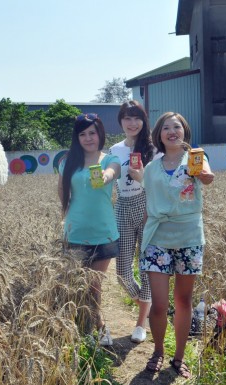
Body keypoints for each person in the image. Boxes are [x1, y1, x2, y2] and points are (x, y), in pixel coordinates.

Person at [139, 112, 214, 377]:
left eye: (177, 127)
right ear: (159, 135)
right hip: (157, 238)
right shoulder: (150, 168)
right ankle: (158, 350)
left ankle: (179, 357)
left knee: (183, 301)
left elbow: (206, 176)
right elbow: (149, 206)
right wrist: (143, 241)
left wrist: (205, 174)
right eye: (166, 128)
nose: (173, 131)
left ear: (184, 131)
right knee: (159, 304)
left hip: (189, 238)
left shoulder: (195, 158)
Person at [58, 113, 121, 346]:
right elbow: (62, 191)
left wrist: (104, 176)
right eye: (82, 134)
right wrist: (64, 217)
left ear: (100, 133)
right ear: (77, 137)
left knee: (94, 284)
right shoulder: (67, 161)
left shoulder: (110, 159)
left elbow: (111, 173)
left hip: (103, 232)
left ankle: (100, 326)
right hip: (75, 231)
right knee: (76, 284)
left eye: (92, 133)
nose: (88, 138)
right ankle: (81, 329)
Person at [108, 100, 155, 343]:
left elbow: (159, 183)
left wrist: (143, 177)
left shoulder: (153, 148)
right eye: (127, 118)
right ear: (121, 121)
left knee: (146, 268)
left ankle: (141, 324)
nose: (132, 123)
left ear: (143, 120)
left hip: (147, 206)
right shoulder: (115, 150)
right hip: (123, 207)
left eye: (137, 118)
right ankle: (147, 304)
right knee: (123, 271)